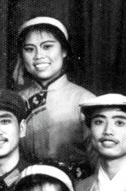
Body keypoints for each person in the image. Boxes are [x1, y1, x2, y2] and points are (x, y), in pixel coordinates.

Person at [15, 16, 95, 178]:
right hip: (25, 183)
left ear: (64, 51)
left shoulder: (86, 101)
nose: (38, 55)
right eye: (29, 49)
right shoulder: (15, 101)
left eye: (47, 46)